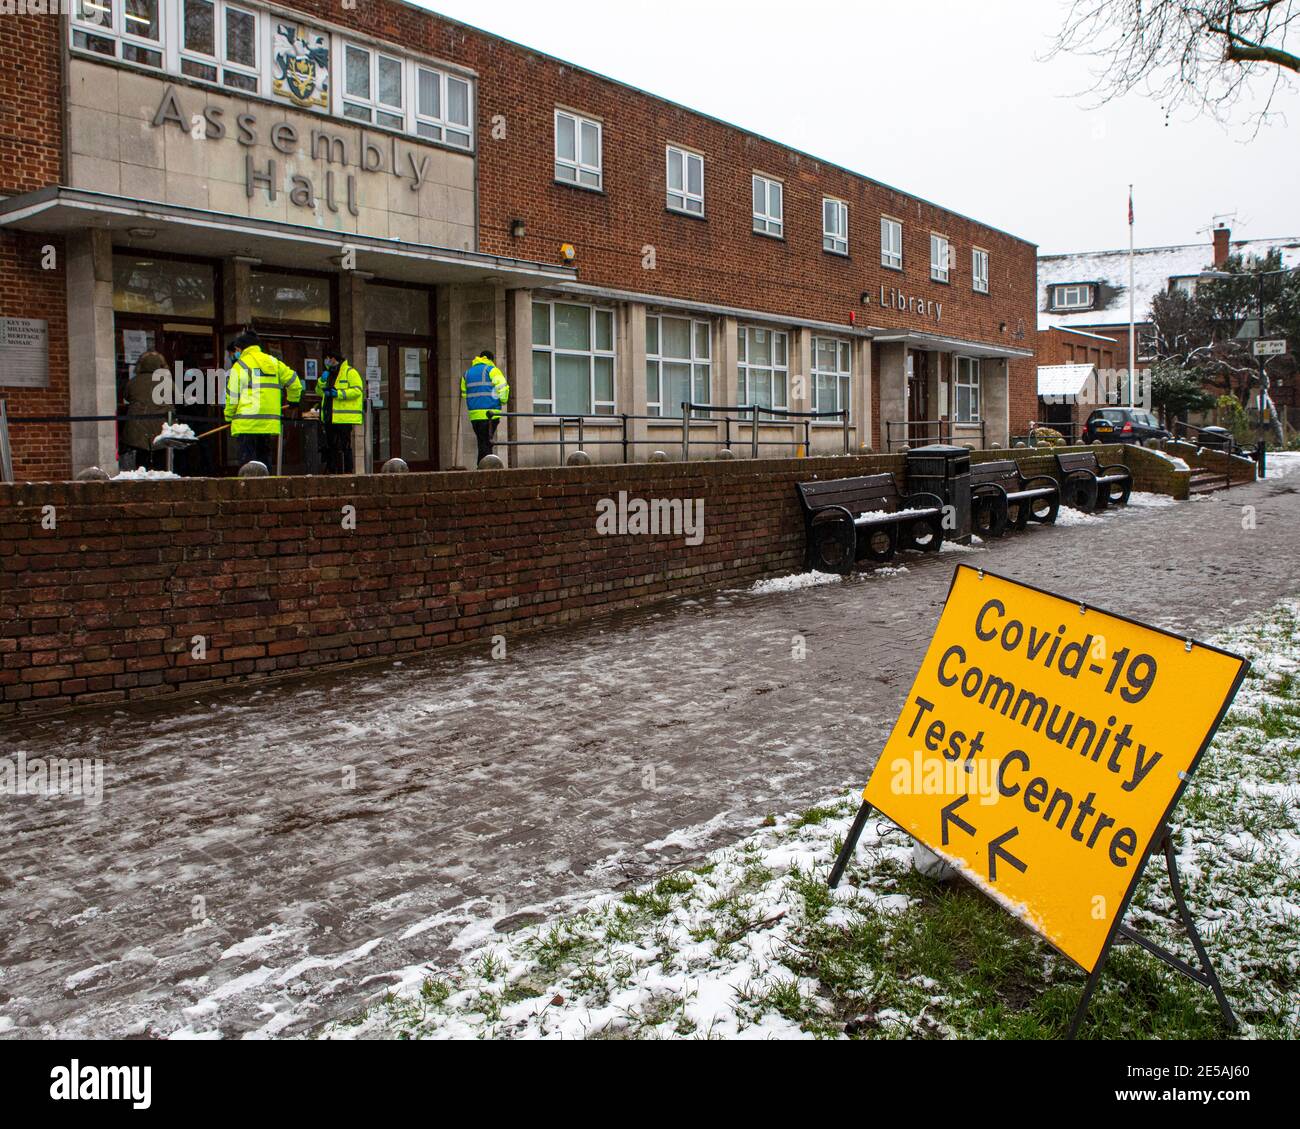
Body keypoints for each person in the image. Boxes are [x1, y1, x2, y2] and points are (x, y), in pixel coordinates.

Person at [224, 331, 302, 470]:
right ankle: (266, 488)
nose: (235, 353)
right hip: (268, 422)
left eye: (236, 350)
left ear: (243, 348)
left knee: (248, 463)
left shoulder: (240, 365)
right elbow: (294, 382)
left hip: (246, 422)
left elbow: (232, 395)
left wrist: (229, 416)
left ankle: (249, 489)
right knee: (264, 461)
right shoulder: (273, 362)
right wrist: (293, 400)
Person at [315, 345, 364, 474]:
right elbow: (319, 392)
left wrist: (339, 394)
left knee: (345, 446)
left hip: (343, 418)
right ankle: (332, 471)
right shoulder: (328, 373)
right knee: (331, 447)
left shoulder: (350, 372)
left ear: (334, 359)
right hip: (329, 416)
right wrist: (321, 381)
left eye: (328, 359)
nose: (327, 362)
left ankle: (347, 472)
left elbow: (357, 391)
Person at [121, 350, 169, 471]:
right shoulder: (165, 381)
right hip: (159, 426)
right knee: (160, 460)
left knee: (141, 461)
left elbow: (126, 396)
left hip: (137, 427)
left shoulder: (133, 382)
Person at [461, 350, 510, 465]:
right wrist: (503, 400)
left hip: (474, 416)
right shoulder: (492, 370)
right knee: (486, 443)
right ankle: (485, 469)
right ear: (490, 359)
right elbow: (503, 387)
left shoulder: (467, 373)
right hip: (490, 414)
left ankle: (481, 468)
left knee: (482, 442)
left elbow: (464, 393)